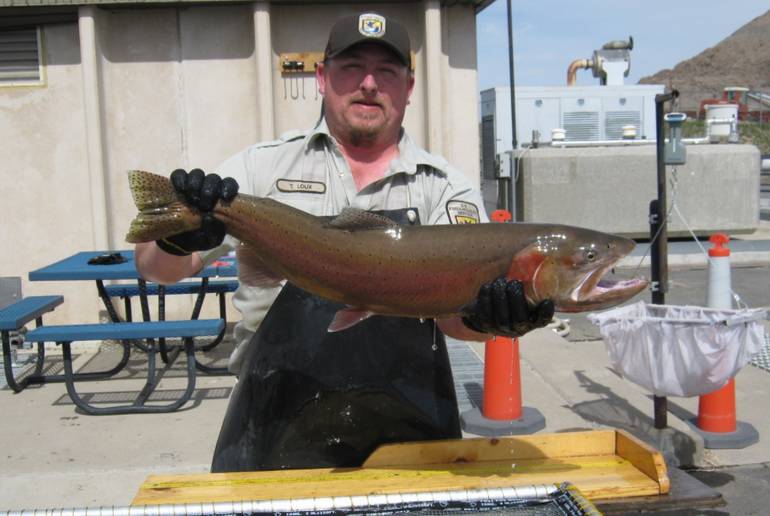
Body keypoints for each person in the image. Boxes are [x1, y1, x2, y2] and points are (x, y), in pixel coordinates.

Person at [135, 12, 554, 472]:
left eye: (387, 71)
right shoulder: (259, 169)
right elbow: (156, 269)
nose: (369, 83)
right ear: (322, 77)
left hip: (410, 424)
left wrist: (494, 320)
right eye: (352, 67)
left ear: (409, 87)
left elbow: (455, 322)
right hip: (272, 417)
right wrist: (177, 239)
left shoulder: (445, 188)